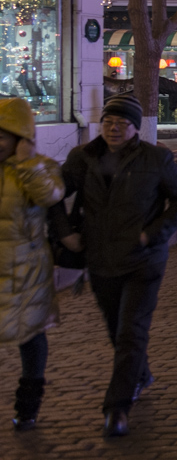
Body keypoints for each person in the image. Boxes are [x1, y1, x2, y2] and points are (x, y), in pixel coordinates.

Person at [59, 96, 177, 438]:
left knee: (132, 330)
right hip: (100, 259)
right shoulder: (83, 158)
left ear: (135, 128)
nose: (114, 128)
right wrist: (66, 233)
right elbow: (53, 195)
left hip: (144, 260)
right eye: (108, 122)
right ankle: (139, 374)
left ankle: (117, 407)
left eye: (122, 123)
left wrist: (153, 234)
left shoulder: (155, 158)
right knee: (116, 329)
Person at [0, 97, 66, 432]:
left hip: (26, 269)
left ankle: (28, 405)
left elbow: (51, 197)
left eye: (3, 136)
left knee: (29, 334)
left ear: (20, 138)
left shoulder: (41, 166)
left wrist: (27, 165)